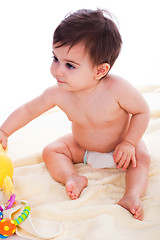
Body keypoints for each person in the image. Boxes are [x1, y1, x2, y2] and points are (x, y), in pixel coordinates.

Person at [0, 9, 150, 221]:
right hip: (83, 149)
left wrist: (129, 142)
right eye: (55, 58)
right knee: (51, 151)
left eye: (70, 65)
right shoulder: (59, 93)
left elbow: (142, 111)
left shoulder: (117, 90)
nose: (58, 71)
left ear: (100, 71)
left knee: (142, 157)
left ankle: (132, 195)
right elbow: (29, 110)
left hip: (120, 152)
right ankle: (72, 177)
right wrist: (4, 130)